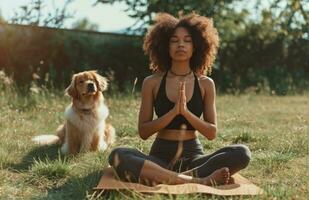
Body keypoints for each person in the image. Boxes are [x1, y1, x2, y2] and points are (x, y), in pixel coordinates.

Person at [108, 12, 251, 186]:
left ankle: (168, 178)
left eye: (187, 40)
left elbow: (211, 133)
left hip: (193, 158)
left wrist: (185, 112)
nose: (180, 44)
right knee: (118, 155)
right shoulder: (151, 83)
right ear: (165, 46)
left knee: (241, 152)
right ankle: (197, 180)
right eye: (174, 40)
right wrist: (173, 112)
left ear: (196, 46)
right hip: (159, 157)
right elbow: (144, 132)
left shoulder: (206, 84)